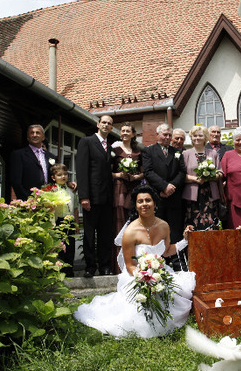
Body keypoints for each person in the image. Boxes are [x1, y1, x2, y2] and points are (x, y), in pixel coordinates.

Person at [73, 184, 196, 338]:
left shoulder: (164, 226)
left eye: (148, 200)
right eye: (140, 201)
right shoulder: (130, 232)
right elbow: (130, 265)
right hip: (136, 275)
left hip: (159, 271)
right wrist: (145, 278)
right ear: (136, 206)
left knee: (180, 293)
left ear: (155, 203)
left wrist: (184, 241)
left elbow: (165, 251)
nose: (144, 204)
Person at [142, 123, 187, 270]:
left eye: (169, 135)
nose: (167, 137)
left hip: (174, 197)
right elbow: (148, 171)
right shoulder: (149, 151)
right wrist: (163, 187)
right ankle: (158, 261)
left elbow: (182, 172)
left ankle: (176, 262)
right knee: (157, 230)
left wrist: (171, 186)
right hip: (158, 197)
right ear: (157, 135)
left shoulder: (177, 152)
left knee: (174, 230)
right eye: (164, 135)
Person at [76, 115, 115, 277]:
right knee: (90, 234)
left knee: (105, 234)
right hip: (91, 197)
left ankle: (105, 266)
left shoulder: (111, 147)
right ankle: (90, 266)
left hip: (107, 197)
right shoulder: (87, 142)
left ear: (111, 128)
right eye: (104, 122)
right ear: (98, 124)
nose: (106, 125)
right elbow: (82, 170)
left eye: (109, 124)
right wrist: (84, 196)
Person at [111, 122, 144, 273]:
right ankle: (119, 266)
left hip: (134, 188)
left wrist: (136, 176)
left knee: (135, 223)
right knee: (120, 223)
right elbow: (108, 171)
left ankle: (136, 262)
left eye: (127, 131)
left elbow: (144, 172)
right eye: (122, 131)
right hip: (119, 188)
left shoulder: (138, 152)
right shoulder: (114, 150)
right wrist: (119, 174)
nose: (124, 133)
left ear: (133, 134)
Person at [182, 125, 222, 230]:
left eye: (200, 135)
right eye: (194, 136)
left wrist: (210, 177)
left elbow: (220, 173)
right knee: (193, 225)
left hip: (210, 196)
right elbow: (181, 175)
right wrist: (195, 179)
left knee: (211, 225)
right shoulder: (186, 154)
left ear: (205, 137)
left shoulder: (213, 153)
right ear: (191, 138)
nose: (197, 138)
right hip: (192, 197)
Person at [46, 163, 79, 278]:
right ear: (53, 178)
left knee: (70, 247)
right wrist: (51, 224)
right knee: (59, 246)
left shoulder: (71, 190)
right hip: (58, 221)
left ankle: (69, 271)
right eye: (59, 175)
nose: (63, 177)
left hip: (70, 222)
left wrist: (76, 224)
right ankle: (58, 271)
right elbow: (49, 208)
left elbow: (75, 207)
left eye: (65, 174)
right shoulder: (51, 190)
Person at [10, 124, 58, 201]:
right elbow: (16, 181)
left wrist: (68, 183)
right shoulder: (19, 154)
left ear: (43, 137)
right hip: (28, 201)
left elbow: (56, 174)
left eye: (37, 133)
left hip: (48, 200)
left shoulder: (51, 156)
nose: (34, 135)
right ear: (28, 138)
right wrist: (27, 198)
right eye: (32, 133)